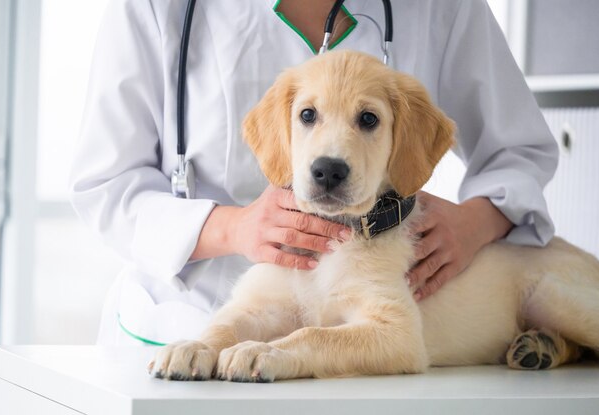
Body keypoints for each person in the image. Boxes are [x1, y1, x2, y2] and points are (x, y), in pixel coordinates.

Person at [70, 0, 558, 346]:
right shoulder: (156, 5)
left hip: (354, 338)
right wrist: (233, 227)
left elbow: (519, 150)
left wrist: (475, 222)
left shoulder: (441, 7)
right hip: (182, 319)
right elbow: (107, 183)